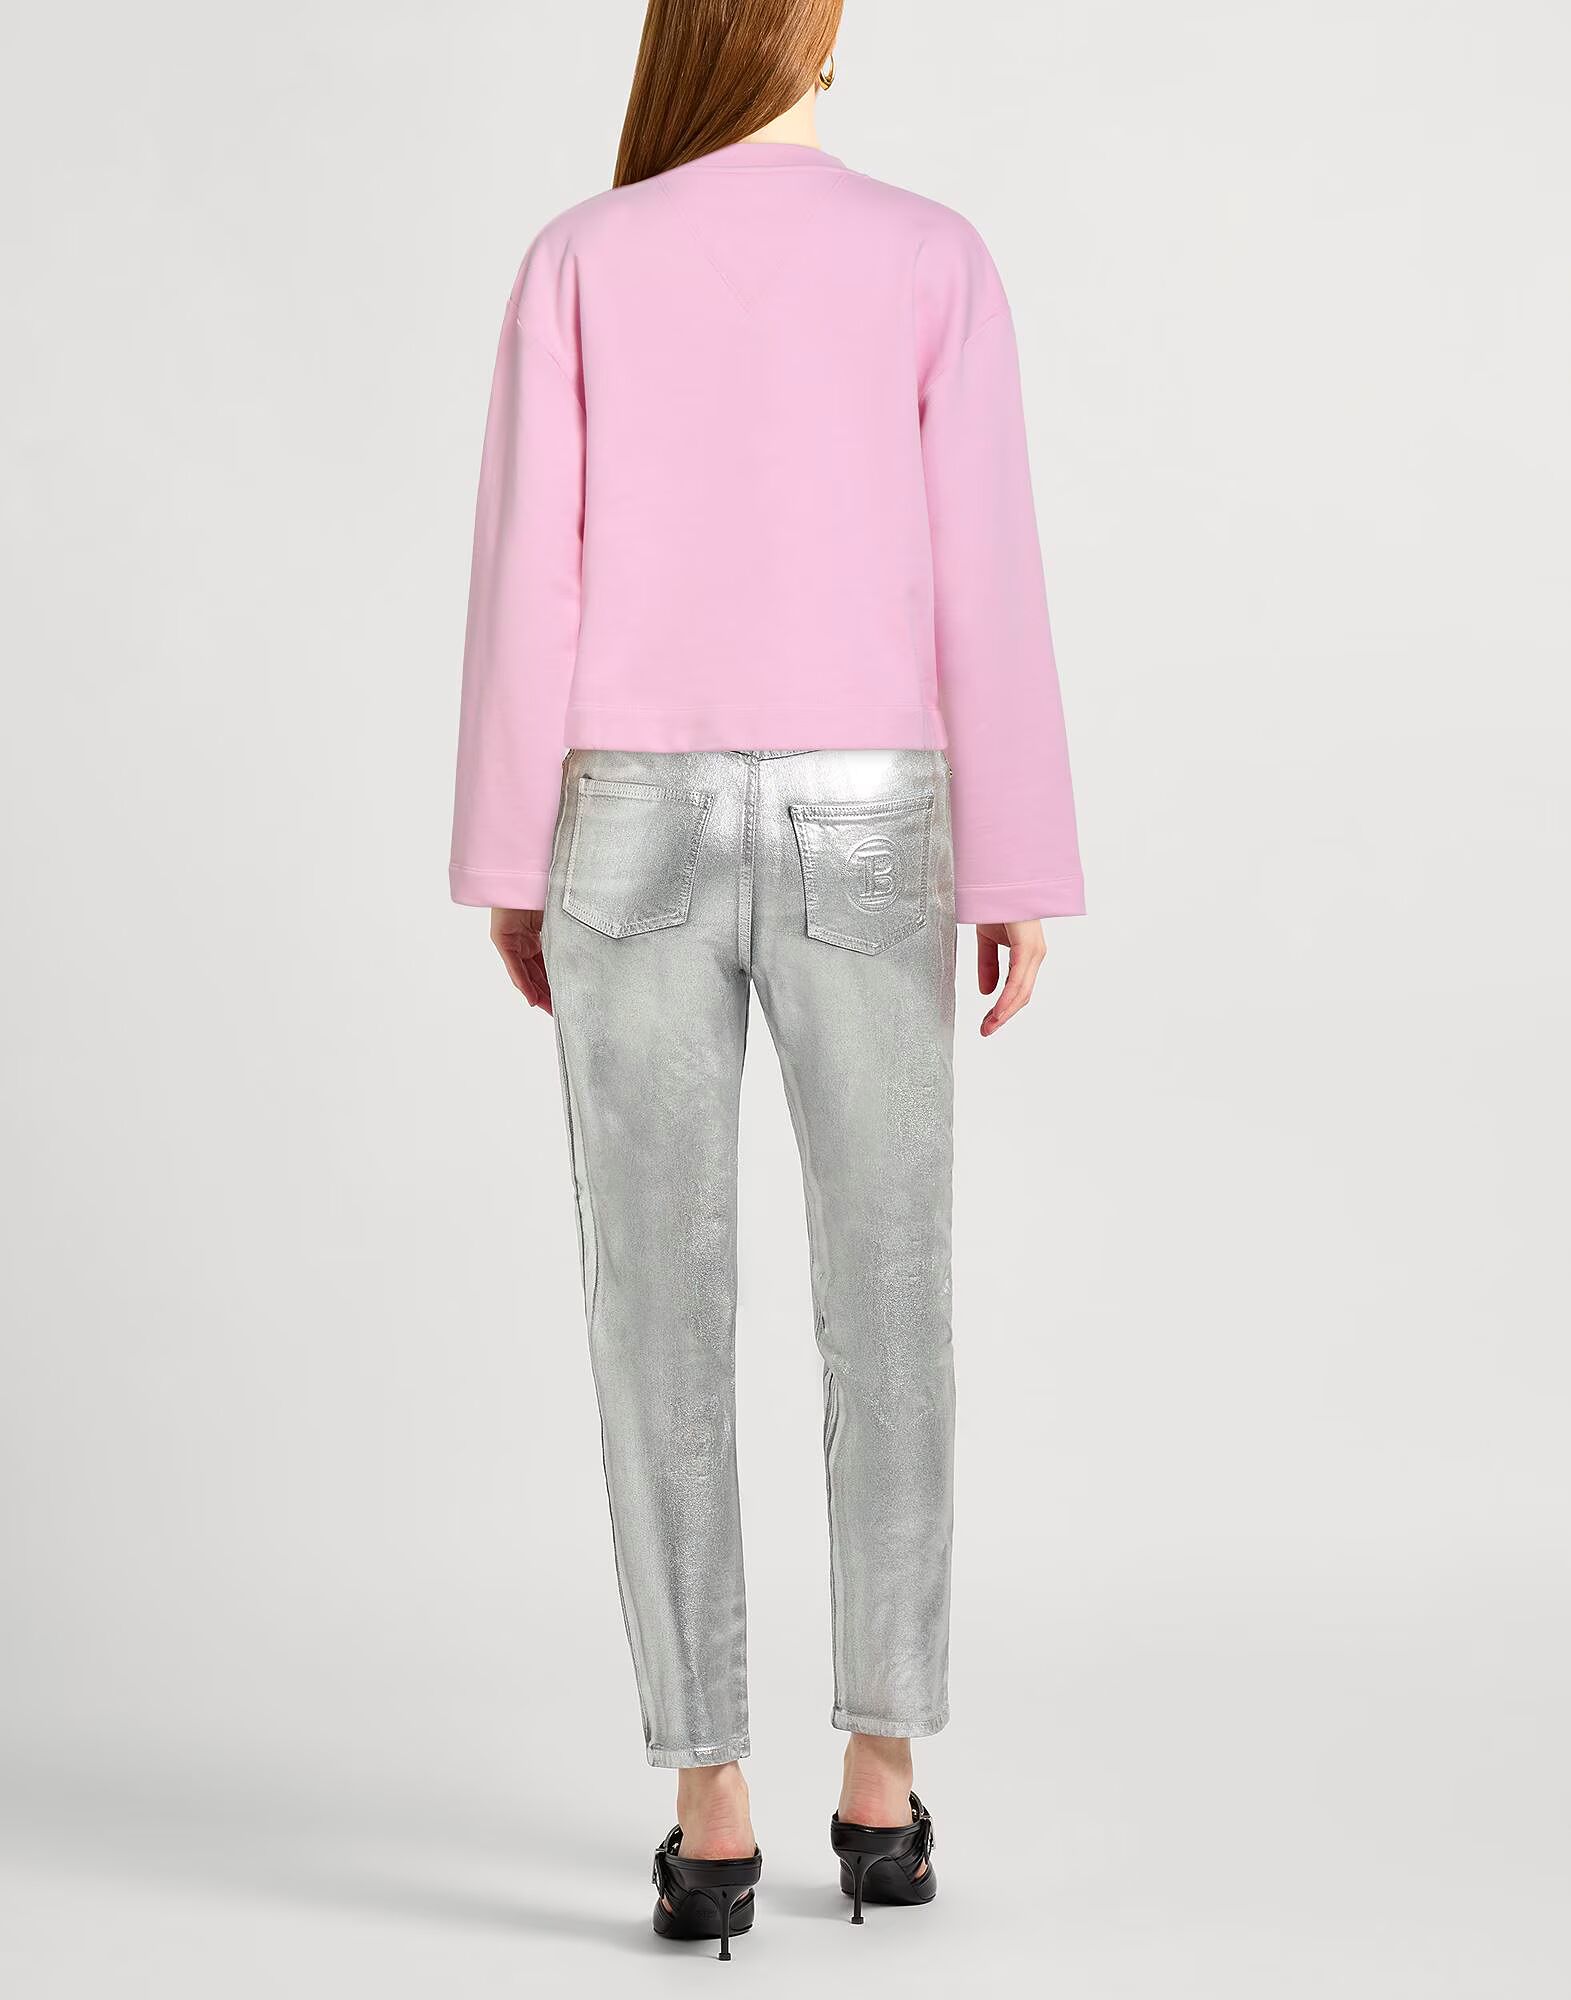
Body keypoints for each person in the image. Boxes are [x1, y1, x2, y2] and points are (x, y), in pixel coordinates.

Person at [450, 0, 1083, 1957]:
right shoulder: (929, 256)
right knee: (891, 1296)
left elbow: (531, 577)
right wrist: (1016, 865)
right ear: (815, 36)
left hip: (626, 817)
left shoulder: (580, 259)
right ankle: (881, 1780)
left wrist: (513, 859)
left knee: (655, 1310)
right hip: (871, 815)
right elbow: (983, 575)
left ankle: (707, 1805)